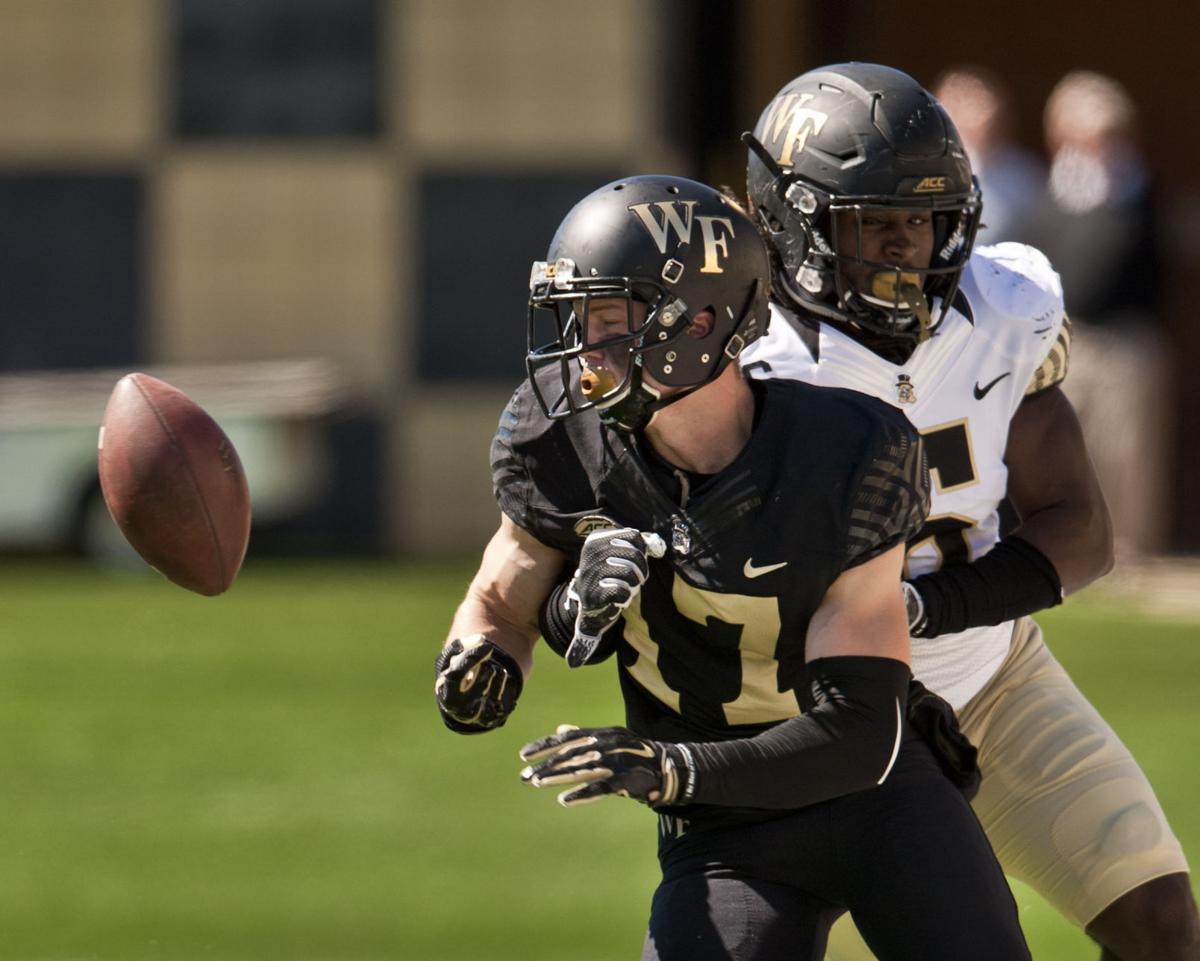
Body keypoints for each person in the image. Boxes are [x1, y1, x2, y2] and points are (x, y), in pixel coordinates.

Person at [435, 174, 1031, 960]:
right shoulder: (560, 437)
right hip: (725, 836)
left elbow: (860, 734)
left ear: (703, 321)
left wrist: (671, 769)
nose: (584, 351)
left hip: (878, 802)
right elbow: (496, 612)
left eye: (612, 320)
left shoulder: (851, 453)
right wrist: (490, 663)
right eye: (580, 317)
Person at [733, 63, 1195, 960]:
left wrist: (926, 610)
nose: (909, 246)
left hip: (991, 679)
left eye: (929, 218)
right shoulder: (744, 363)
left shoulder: (1003, 308)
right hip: (798, 718)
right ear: (792, 223)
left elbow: (1080, 526)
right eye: (876, 220)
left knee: (1162, 921)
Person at [1018, 70, 1170, 560]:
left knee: (1127, 456)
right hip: (1067, 342)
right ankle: (1065, 550)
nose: (1100, 144)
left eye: (1109, 134)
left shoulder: (1138, 192)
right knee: (1059, 450)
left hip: (1125, 343)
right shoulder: (1049, 195)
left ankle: (1128, 554)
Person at [931, 65, 1043, 244]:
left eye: (984, 104)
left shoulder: (1023, 173)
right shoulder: (926, 166)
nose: (980, 114)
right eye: (966, 104)